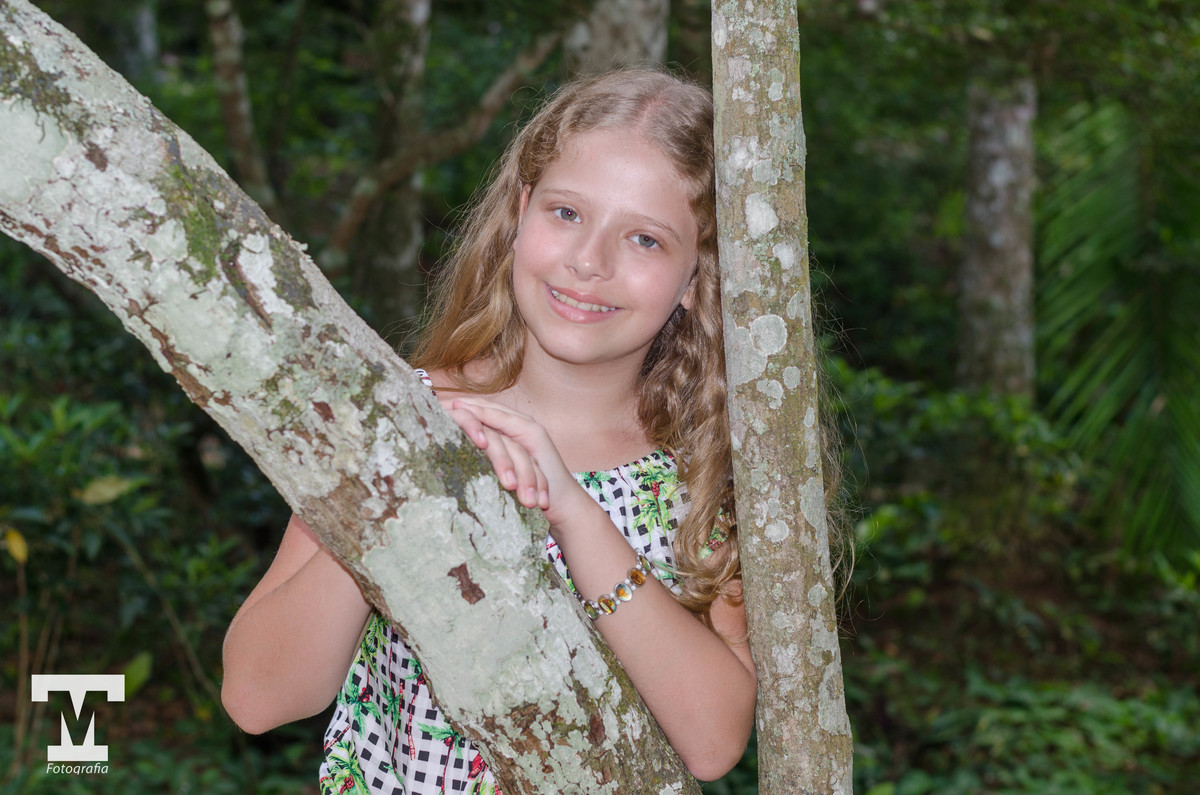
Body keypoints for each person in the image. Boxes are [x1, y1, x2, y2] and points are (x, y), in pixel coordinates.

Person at [221, 67, 757, 793]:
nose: (589, 261)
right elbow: (258, 696)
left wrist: (574, 513)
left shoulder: (701, 472)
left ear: (697, 276)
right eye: (567, 214)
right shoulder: (400, 415)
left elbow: (714, 740)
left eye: (645, 240)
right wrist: (403, 484)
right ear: (521, 212)